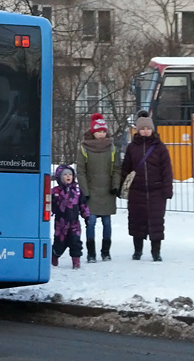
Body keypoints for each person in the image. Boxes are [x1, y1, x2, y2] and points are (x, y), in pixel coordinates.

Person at [121, 111, 173, 261]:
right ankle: (137, 251)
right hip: (137, 191)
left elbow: (167, 170)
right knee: (137, 222)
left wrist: (167, 189)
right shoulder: (132, 148)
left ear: (152, 129)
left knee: (156, 222)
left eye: (148, 128)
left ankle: (156, 252)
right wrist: (121, 187)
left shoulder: (160, 147)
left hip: (156, 191)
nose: (145, 131)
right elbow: (126, 168)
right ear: (138, 130)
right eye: (142, 128)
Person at [78, 113, 122, 262]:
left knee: (107, 222)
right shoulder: (84, 148)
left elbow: (117, 168)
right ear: (92, 132)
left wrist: (115, 186)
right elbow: (81, 171)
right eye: (98, 131)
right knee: (90, 222)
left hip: (107, 191)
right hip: (91, 191)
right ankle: (91, 253)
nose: (101, 134)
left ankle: (106, 251)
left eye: (103, 131)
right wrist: (85, 191)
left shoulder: (111, 148)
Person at [50, 164, 90, 269]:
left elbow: (83, 204)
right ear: (59, 177)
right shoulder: (55, 192)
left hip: (74, 223)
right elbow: (50, 205)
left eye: (70, 174)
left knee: (75, 242)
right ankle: (54, 256)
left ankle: (76, 261)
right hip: (61, 224)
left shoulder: (77, 191)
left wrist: (86, 216)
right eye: (65, 175)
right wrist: (48, 213)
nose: (68, 176)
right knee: (59, 243)